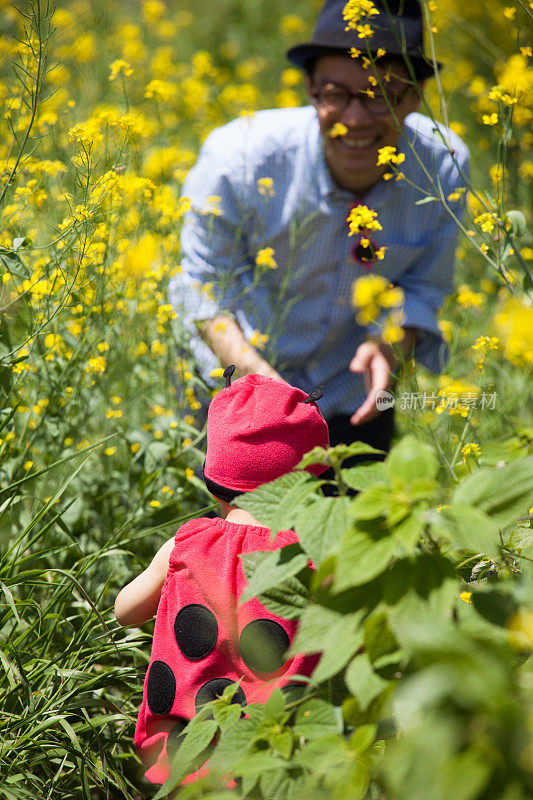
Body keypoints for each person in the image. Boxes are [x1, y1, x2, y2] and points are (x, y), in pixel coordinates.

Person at [168, 0, 469, 465]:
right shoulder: (239, 160)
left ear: (416, 96)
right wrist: (260, 383)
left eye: (381, 95)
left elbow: (424, 286)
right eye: (335, 93)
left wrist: (390, 344)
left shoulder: (443, 167)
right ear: (309, 88)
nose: (356, 119)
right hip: (236, 393)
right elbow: (203, 289)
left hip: (355, 397)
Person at [114, 368, 329, 786]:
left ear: (216, 484)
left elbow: (125, 611)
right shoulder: (312, 558)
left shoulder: (185, 545)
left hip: (181, 763)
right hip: (275, 768)